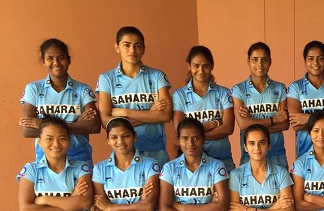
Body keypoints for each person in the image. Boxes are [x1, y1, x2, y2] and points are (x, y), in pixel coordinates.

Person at [96, 26, 172, 166]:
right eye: (126, 45)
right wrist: (150, 114)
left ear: (143, 49)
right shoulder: (106, 79)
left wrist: (124, 112)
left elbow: (165, 116)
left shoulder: (157, 76)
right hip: (123, 153)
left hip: (155, 150)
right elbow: (106, 121)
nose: (132, 50)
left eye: (137, 45)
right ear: (117, 47)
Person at [19, 39, 101, 165]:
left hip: (79, 157)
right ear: (43, 61)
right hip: (45, 158)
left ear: (69, 60)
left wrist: (43, 125)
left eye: (61, 58)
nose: (56, 63)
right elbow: (27, 130)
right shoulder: (33, 89)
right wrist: (77, 125)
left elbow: (94, 126)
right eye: (50, 58)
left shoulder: (83, 89)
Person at [172, 46, 235, 172]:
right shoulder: (179, 95)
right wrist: (213, 124)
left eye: (205, 66)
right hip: (192, 163)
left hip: (222, 159)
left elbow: (228, 127)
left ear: (212, 66)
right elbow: (180, 129)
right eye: (196, 66)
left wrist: (193, 137)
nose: (201, 71)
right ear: (189, 66)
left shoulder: (224, 93)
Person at [232, 42, 289, 169]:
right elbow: (243, 124)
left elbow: (285, 124)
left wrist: (252, 124)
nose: (260, 64)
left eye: (264, 60)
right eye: (255, 59)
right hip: (249, 155)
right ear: (248, 61)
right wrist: (274, 120)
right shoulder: (239, 90)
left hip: (277, 153)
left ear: (270, 61)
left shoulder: (280, 88)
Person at [288, 41, 324, 158]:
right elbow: (296, 125)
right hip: (304, 154)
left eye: (320, 58)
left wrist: (305, 118)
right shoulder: (296, 87)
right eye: (311, 58)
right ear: (305, 61)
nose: (315, 63)